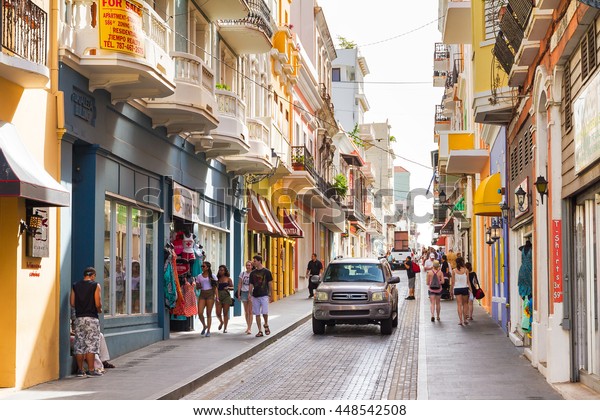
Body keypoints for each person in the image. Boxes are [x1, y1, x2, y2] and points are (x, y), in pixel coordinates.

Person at [70, 267, 103, 377]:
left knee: (79, 344)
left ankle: (80, 370)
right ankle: (91, 369)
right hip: (92, 318)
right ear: (92, 275)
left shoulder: (75, 285)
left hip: (79, 318)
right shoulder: (95, 285)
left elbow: (72, 302)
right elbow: (98, 303)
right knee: (91, 344)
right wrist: (99, 310)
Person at [248, 255, 273, 337]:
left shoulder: (267, 272)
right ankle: (260, 331)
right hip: (255, 295)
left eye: (254, 261)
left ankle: (266, 324)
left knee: (265, 312)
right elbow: (251, 284)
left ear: (259, 261)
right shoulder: (252, 273)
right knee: (257, 313)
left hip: (264, 294)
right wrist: (249, 293)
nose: (253, 262)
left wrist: (270, 294)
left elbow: (270, 283)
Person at [195, 261, 217, 337]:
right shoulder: (199, 276)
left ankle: (208, 330)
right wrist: (198, 286)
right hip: (202, 294)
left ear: (207, 268)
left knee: (208, 313)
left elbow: (215, 287)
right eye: (201, 266)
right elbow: (197, 287)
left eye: (203, 266)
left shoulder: (212, 276)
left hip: (210, 294)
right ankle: (204, 325)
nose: (202, 267)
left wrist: (217, 297)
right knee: (200, 312)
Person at [451, 256, 472, 326]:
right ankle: (465, 319)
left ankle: (460, 320)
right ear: (463, 262)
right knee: (465, 304)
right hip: (464, 288)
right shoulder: (466, 270)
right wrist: (471, 290)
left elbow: (453, 282)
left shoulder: (454, 271)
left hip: (457, 289)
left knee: (459, 305)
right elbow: (468, 281)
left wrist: (451, 290)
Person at [215, 265, 234, 333]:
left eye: (222, 270)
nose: (220, 271)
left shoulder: (228, 279)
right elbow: (215, 288)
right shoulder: (217, 279)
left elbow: (233, 288)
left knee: (225, 313)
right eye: (220, 270)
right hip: (218, 296)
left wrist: (228, 288)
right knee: (218, 313)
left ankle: (225, 328)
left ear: (225, 271)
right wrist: (216, 296)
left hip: (226, 296)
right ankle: (221, 322)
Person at [237, 261, 254, 334]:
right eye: (247, 265)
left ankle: (249, 328)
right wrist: (238, 294)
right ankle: (248, 326)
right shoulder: (242, 273)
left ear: (252, 266)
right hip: (243, 292)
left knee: (250, 311)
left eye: (249, 265)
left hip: (251, 292)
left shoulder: (253, 274)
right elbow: (240, 284)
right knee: (246, 311)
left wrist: (250, 293)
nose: (248, 266)